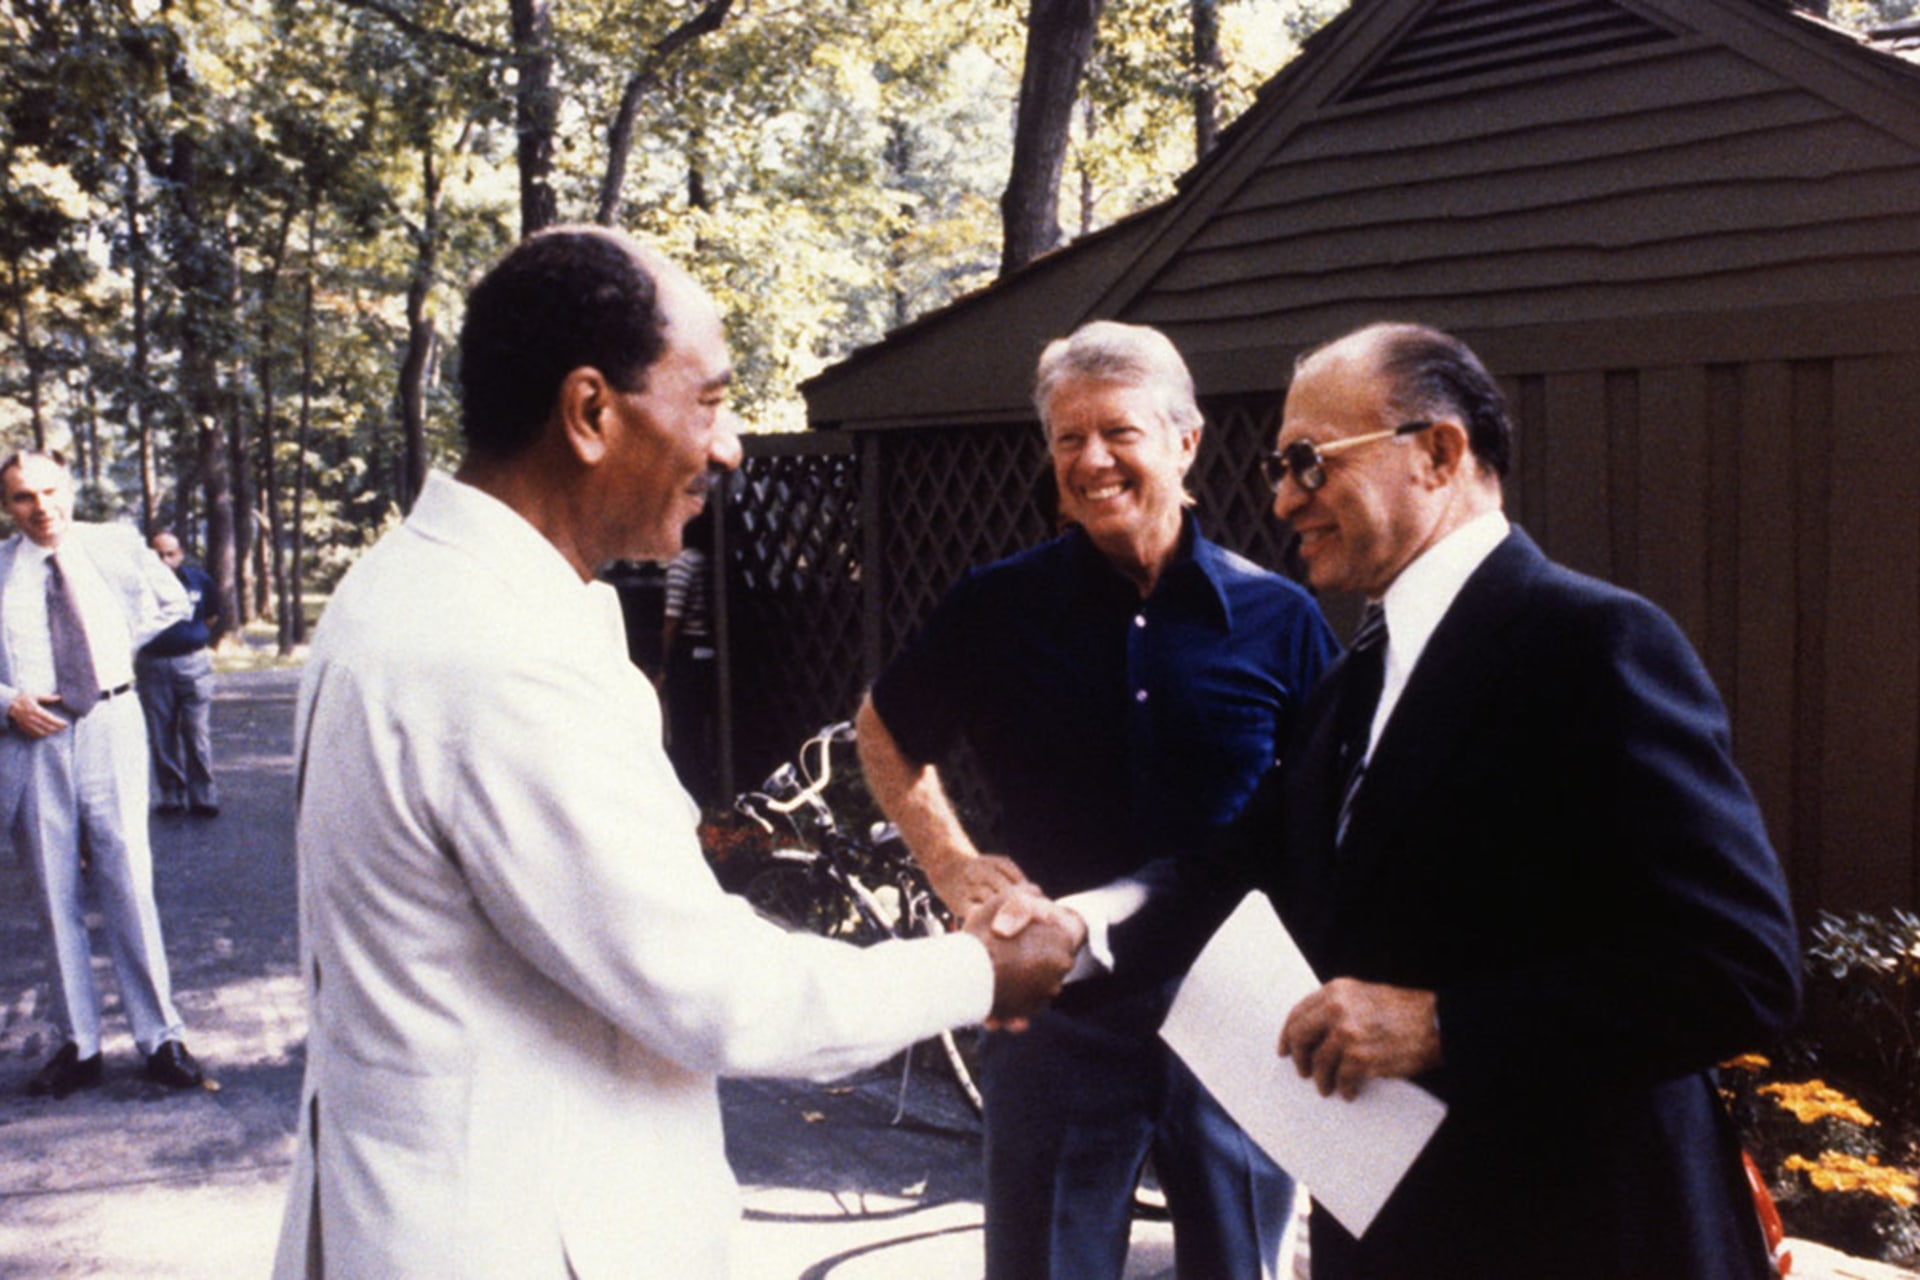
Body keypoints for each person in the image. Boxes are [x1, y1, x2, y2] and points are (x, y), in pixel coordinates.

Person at [270, 225, 1081, 1279]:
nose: (731, 444)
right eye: (709, 400)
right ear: (592, 412)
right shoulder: (498, 650)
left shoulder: (397, 591)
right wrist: (978, 970)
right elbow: (712, 990)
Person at [1090, 321, 1802, 1279]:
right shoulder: (1352, 687)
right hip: (1396, 1235)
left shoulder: (1593, 645)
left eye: (1308, 462)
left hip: (1585, 1240)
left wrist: (1438, 1026)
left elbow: (1742, 969)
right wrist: (1067, 930)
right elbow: (1233, 870)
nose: (1281, 497)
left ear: (1438, 452)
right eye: (1279, 466)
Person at [857, 320, 1337, 1280]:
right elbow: (885, 731)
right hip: (1056, 1018)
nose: (1091, 460)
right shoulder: (997, 607)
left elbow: (1322, 813)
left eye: (1118, 432)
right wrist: (952, 863)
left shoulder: (1280, 620)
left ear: (1185, 441)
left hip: (1238, 1019)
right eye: (1068, 439)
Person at [0, 450, 207, 1097]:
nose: (42, 508)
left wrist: (115, 652)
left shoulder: (112, 546)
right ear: (8, 507)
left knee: (127, 879)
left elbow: (172, 603)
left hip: (111, 721)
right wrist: (7, 700)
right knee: (53, 891)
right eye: (23, 498)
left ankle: (160, 1036)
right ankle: (78, 1043)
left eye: (51, 491)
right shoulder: (3, 568)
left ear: (71, 487)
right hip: (35, 736)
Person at [136, 530, 221, 817]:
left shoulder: (199, 581)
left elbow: (211, 616)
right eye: (158, 554)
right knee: (161, 733)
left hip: (192, 664)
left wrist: (190, 639)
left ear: (180, 554)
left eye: (170, 554)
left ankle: (203, 795)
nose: (164, 560)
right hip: (153, 664)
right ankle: (171, 793)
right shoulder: (138, 586)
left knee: (196, 732)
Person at [659, 505, 718, 804]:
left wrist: (663, 662)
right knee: (708, 724)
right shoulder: (713, 563)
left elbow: (673, 617)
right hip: (711, 652)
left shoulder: (683, 564)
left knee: (685, 728)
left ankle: (689, 790)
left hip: (689, 653)